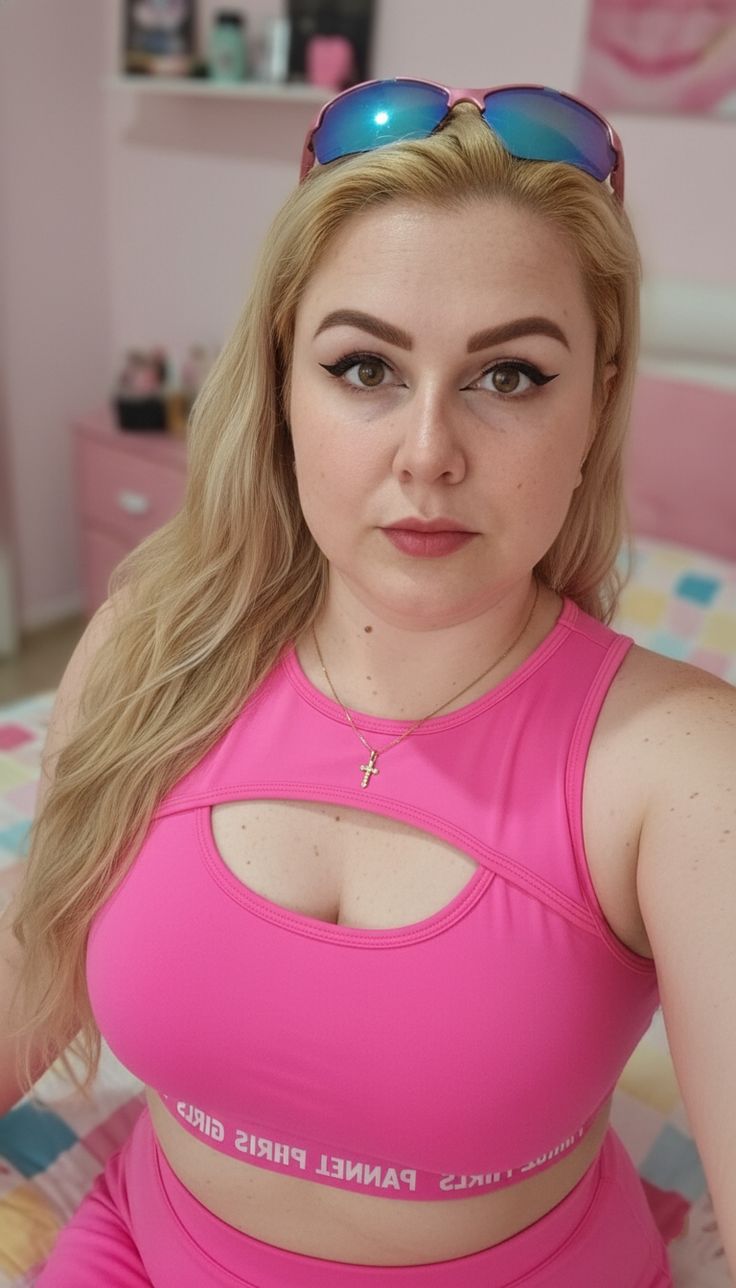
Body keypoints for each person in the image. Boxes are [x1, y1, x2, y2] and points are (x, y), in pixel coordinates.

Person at [2, 78, 734, 1287]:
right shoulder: (151, 647)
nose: (428, 454)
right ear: (282, 384)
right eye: (362, 367)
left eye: (510, 377)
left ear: (598, 402)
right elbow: (33, 958)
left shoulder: (678, 767)